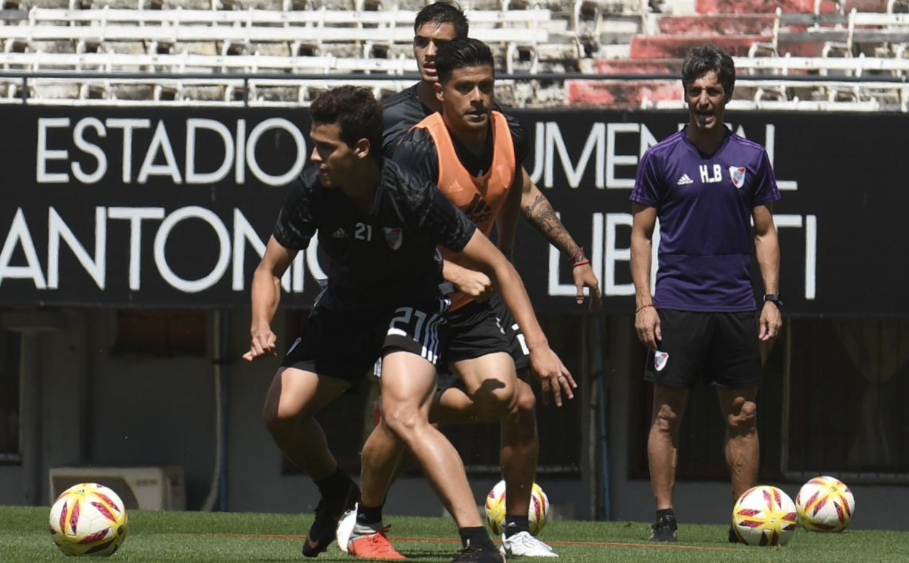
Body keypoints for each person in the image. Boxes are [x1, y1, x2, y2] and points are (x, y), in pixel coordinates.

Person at [248, 85, 571, 563]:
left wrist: (540, 346)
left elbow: (499, 265)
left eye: (325, 147)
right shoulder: (313, 190)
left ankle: (477, 544)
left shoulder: (412, 193)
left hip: (410, 308)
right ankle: (337, 490)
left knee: (403, 415)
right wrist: (261, 322)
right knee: (281, 413)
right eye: (313, 143)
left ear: (361, 149)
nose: (314, 156)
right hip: (343, 311)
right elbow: (268, 270)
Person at [340, 36, 598, 559]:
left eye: (486, 86)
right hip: (410, 296)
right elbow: (389, 240)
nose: (478, 98)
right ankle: (364, 519)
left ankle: (421, 425)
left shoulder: (510, 132)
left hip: (470, 301)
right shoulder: (417, 147)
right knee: (411, 410)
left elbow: (519, 192)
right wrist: (452, 270)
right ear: (442, 92)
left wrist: (572, 253)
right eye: (466, 89)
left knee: (509, 397)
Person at [629, 45, 783, 543]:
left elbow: (764, 232)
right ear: (684, 95)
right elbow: (641, 235)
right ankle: (665, 518)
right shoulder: (660, 157)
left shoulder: (752, 158)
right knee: (667, 413)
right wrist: (644, 303)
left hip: (737, 305)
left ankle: (744, 521)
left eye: (713, 90)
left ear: (728, 95)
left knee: (745, 413)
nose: (703, 99)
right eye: (695, 90)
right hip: (675, 305)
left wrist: (772, 298)